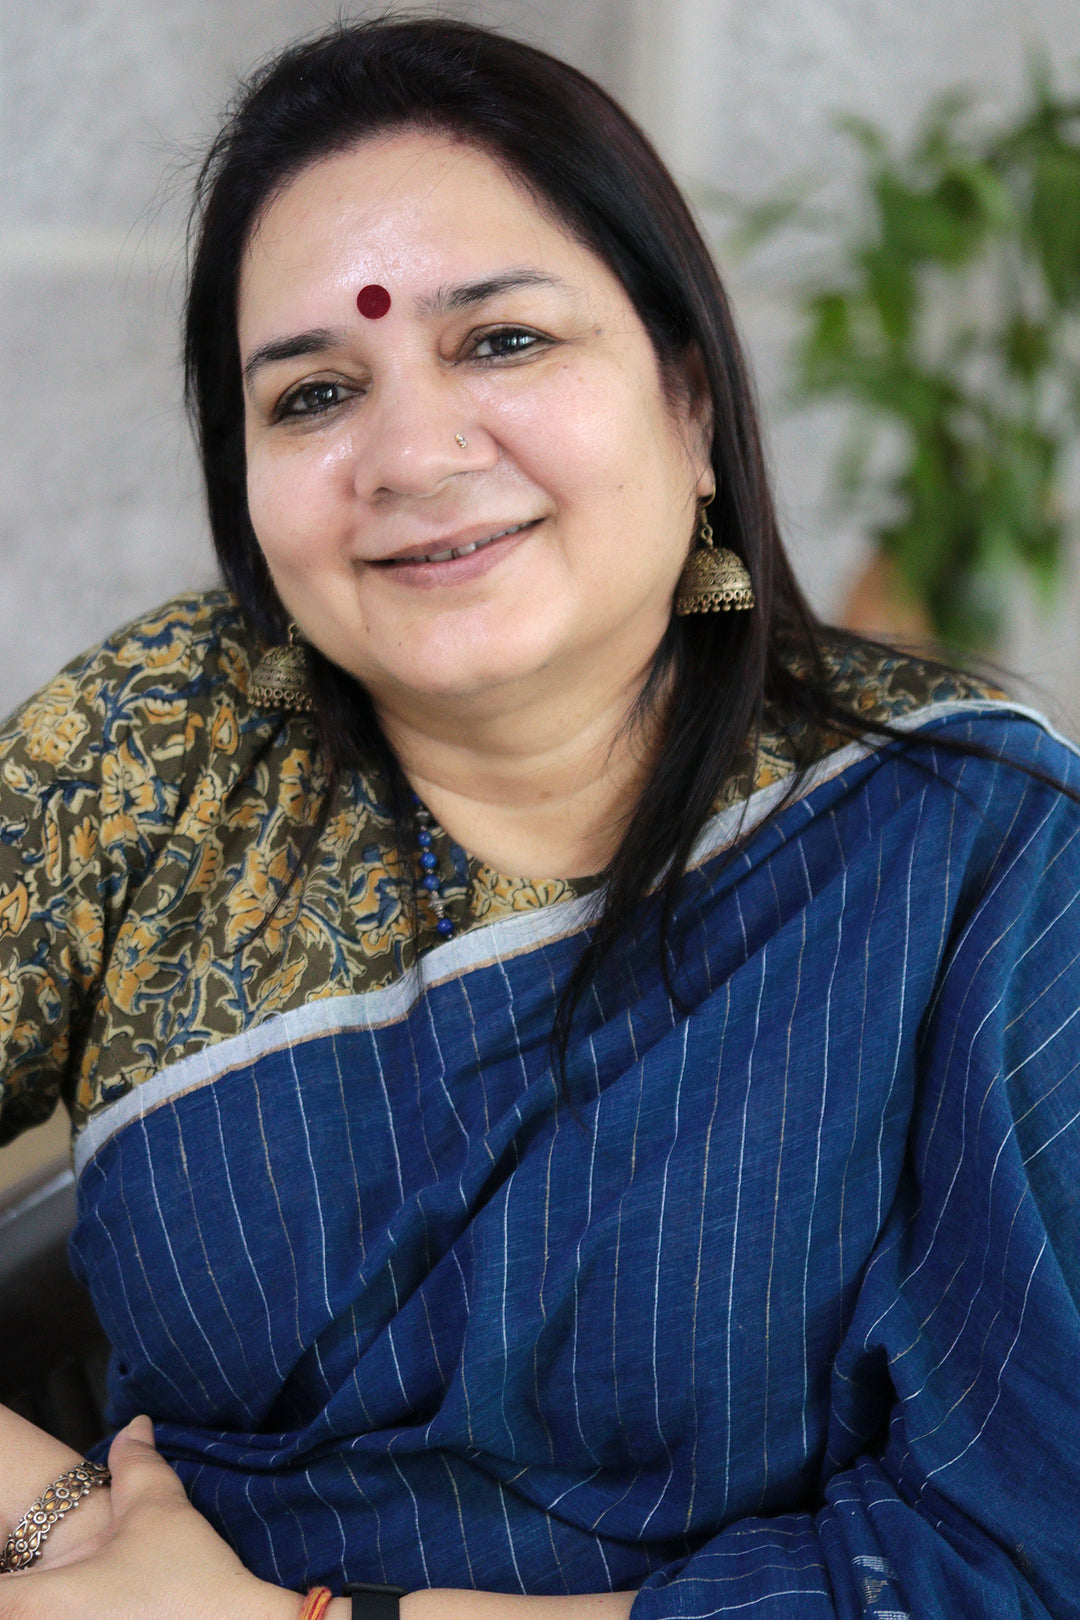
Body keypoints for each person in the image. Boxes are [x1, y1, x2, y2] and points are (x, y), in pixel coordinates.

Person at [1, 16, 1078, 1620]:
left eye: (500, 342)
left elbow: (1026, 1543)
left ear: (691, 400)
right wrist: (60, 1524)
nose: (412, 455)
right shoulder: (165, 751)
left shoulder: (971, 848)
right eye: (311, 395)